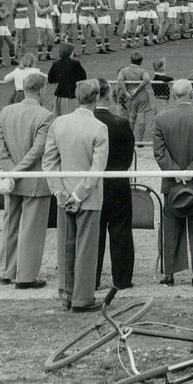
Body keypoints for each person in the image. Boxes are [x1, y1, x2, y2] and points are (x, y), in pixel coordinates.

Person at [42, 79, 109, 312]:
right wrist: (77, 194)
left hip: (66, 195)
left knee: (66, 246)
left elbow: (48, 162)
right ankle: (81, 298)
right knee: (85, 249)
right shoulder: (99, 128)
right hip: (87, 198)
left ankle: (67, 295)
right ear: (97, 96)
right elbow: (97, 168)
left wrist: (60, 191)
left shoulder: (59, 123)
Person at [0, 71, 54, 289]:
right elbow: (38, 151)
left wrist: (11, 172)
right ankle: (25, 276)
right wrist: (17, 171)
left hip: (13, 178)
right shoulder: (46, 115)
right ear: (41, 89)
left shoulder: (6, 112)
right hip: (32, 179)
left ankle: (6, 271)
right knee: (31, 230)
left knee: (11, 225)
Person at [153, 80, 193, 287]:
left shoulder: (162, 118)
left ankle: (170, 274)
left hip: (174, 182)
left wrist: (178, 173)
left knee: (171, 226)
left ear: (173, 94)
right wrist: (189, 172)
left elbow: (159, 152)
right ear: (190, 93)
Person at [93, 78, 135, 290]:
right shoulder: (120, 123)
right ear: (107, 96)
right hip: (117, 182)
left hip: (95, 183)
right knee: (121, 231)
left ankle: (93, 278)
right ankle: (122, 279)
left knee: (95, 232)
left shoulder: (93, 122)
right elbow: (128, 157)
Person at [116, 52, 155, 147]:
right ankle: (140, 141)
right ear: (141, 62)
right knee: (141, 117)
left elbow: (120, 80)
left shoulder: (124, 71)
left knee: (131, 117)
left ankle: (129, 139)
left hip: (130, 95)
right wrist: (137, 89)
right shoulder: (143, 70)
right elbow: (146, 79)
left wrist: (126, 92)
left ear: (131, 60)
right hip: (141, 95)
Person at [47, 43, 86, 117]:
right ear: (70, 52)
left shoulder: (56, 64)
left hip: (60, 95)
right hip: (73, 95)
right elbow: (83, 77)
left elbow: (51, 79)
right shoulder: (75, 64)